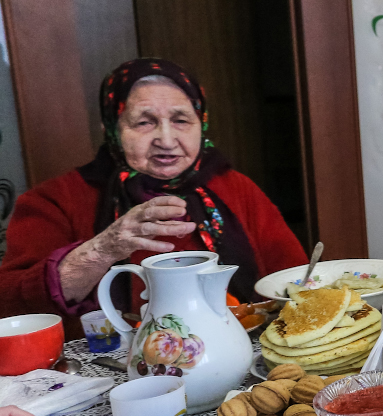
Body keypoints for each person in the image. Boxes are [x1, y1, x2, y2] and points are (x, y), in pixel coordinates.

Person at [0, 59, 308, 336]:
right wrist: (101, 250)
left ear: (201, 124)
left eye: (181, 120)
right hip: (111, 375)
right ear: (112, 129)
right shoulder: (55, 200)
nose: (166, 139)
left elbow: (296, 281)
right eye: (144, 122)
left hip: (238, 355)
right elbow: (10, 307)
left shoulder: (234, 187)